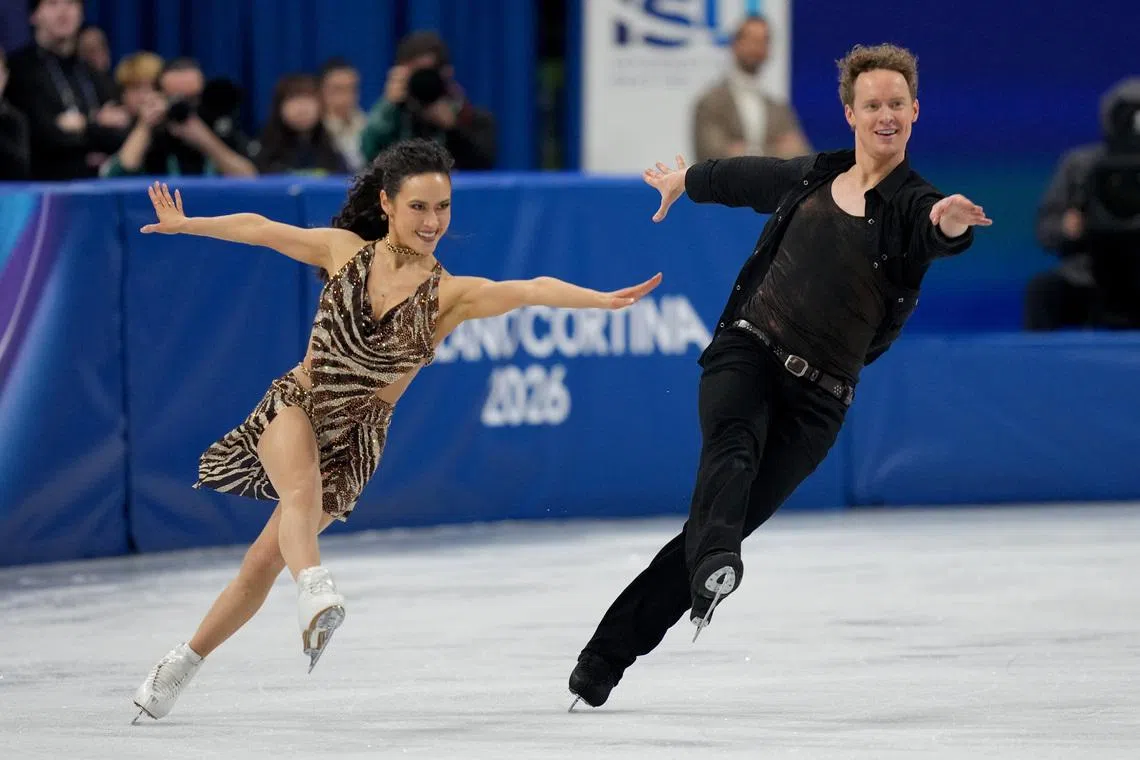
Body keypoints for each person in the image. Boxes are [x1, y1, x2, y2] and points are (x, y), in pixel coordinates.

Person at [129, 138, 661, 723]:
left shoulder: (449, 297)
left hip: (355, 439)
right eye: (419, 207)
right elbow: (259, 227)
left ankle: (183, 660)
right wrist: (187, 224)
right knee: (300, 496)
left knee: (261, 563)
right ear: (387, 203)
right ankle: (316, 588)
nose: (433, 222)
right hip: (297, 403)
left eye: (443, 208)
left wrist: (601, 301)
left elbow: (530, 289)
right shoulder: (342, 252)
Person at [567, 43, 992, 710]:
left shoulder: (915, 204)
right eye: (872, 104)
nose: (886, 115)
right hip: (749, 352)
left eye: (897, 105)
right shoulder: (815, 177)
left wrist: (950, 225)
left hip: (818, 404)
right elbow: (744, 178)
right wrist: (688, 180)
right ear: (850, 112)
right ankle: (717, 565)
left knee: (716, 522)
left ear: (916, 111)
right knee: (729, 457)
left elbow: (934, 229)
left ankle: (602, 659)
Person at [691, 14, 811, 162]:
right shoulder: (710, 103)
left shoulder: (779, 109)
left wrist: (744, 150)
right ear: (736, 44)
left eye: (763, 41)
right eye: (752, 40)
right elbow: (711, 156)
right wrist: (774, 151)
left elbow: (801, 154)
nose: (757, 48)